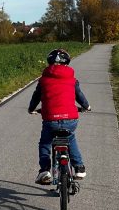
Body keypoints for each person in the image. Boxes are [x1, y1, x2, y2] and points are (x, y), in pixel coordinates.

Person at [28, 48, 90, 184]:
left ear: (49, 63)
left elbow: (36, 97)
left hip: (50, 120)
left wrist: (31, 109)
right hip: (70, 119)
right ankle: (79, 167)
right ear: (67, 63)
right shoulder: (72, 79)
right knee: (70, 138)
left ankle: (44, 170)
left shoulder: (43, 80)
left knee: (45, 142)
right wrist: (87, 107)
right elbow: (80, 96)